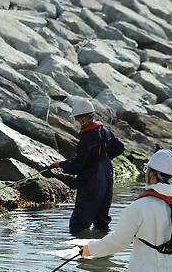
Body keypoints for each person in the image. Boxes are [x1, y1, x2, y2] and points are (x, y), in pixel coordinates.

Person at [50, 98, 124, 235]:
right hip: (107, 181)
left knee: (78, 225)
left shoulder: (87, 139)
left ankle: (80, 254)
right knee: (102, 223)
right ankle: (102, 253)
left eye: (78, 119)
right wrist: (105, 159)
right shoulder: (105, 131)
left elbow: (78, 166)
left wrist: (61, 164)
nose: (78, 123)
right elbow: (119, 147)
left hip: (91, 184)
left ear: (83, 118)